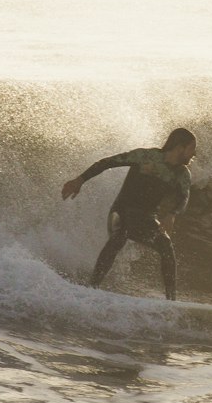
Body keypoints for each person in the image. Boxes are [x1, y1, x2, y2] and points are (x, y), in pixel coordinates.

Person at [61, 128, 196, 300]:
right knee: (120, 235)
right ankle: (92, 288)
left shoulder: (182, 174)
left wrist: (172, 214)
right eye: (192, 148)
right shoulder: (145, 156)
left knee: (166, 247)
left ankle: (171, 301)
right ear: (180, 147)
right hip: (121, 212)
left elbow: (183, 199)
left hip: (146, 219)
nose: (194, 153)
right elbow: (107, 162)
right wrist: (79, 180)